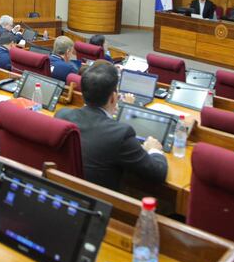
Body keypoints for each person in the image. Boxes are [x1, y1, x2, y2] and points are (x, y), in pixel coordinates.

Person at [55, 61, 167, 190]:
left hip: (64, 191)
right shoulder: (121, 134)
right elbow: (158, 173)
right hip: (98, 200)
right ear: (114, 97)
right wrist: (154, 150)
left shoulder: (62, 115)